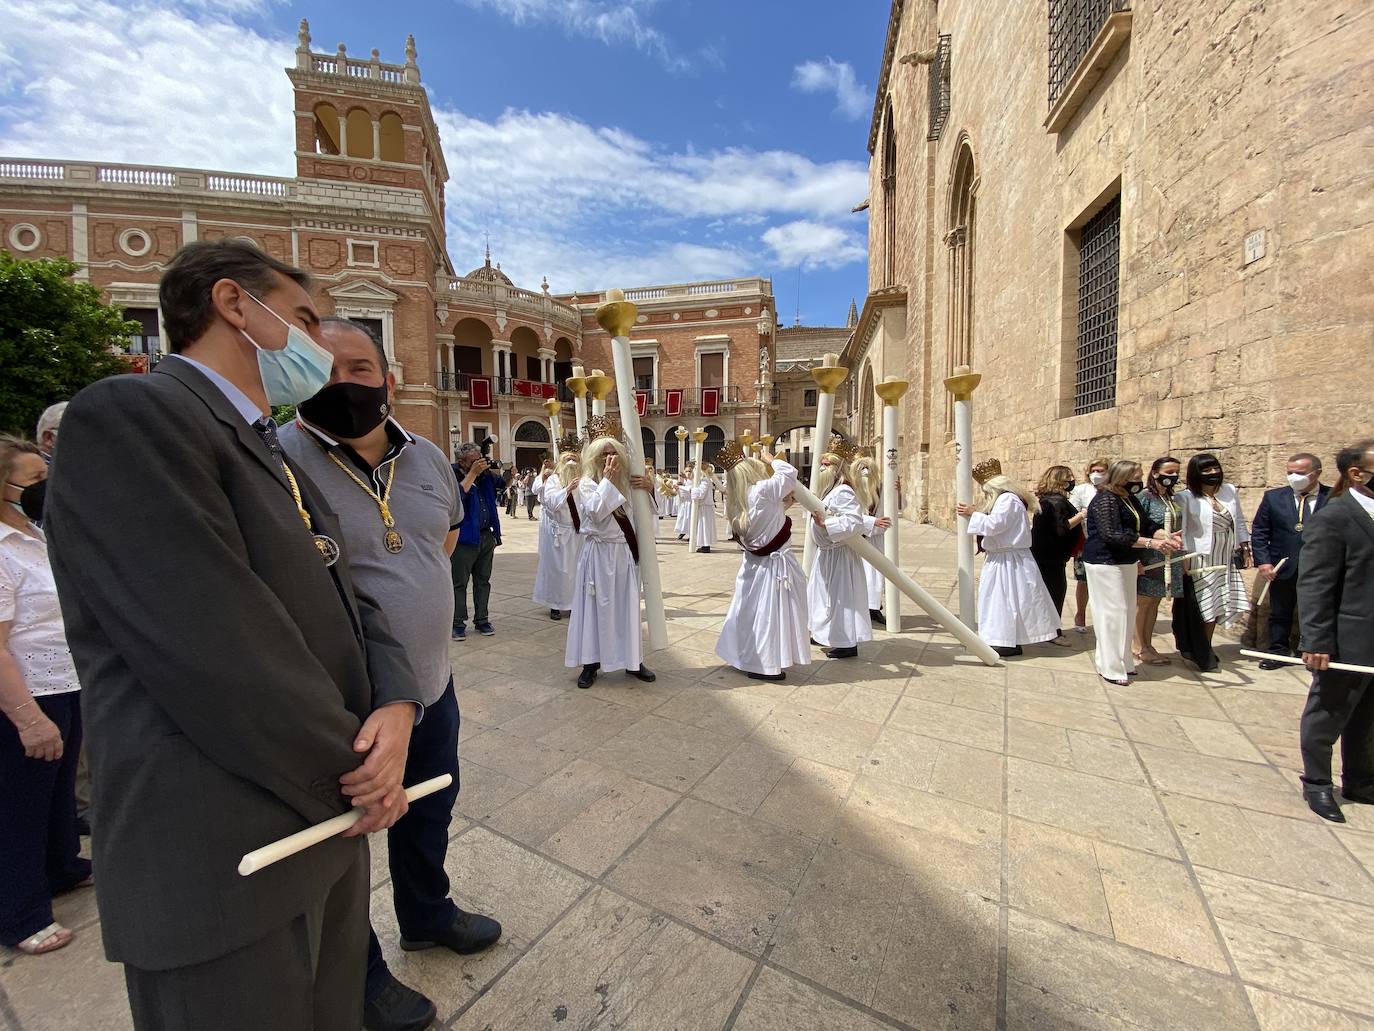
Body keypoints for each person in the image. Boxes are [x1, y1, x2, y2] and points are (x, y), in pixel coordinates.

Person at [43, 239, 422, 1031]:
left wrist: (396, 703)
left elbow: (347, 594)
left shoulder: (259, 440)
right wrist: (359, 775)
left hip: (318, 828)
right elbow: (212, 646)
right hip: (222, 845)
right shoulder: (133, 414)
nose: (319, 344)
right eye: (307, 317)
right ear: (234, 305)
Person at [280, 318, 501, 1031]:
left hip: (433, 685)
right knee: (339, 842)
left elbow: (439, 538)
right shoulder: (275, 459)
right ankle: (362, 977)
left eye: (359, 367)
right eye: (324, 369)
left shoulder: (430, 457)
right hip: (339, 702)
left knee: (430, 805)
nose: (343, 383)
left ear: (388, 379)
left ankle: (426, 912)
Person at [1, 437, 91, 957]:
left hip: (64, 679)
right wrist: (27, 718)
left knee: (56, 792)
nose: (45, 488)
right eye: (33, 482)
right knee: (21, 805)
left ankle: (62, 865)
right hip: (26, 691)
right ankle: (20, 911)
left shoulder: (34, 535)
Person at [1295, 439, 1374, 823]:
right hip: (1347, 638)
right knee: (1328, 712)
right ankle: (1317, 783)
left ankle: (1360, 779)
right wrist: (1316, 639)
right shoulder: (1334, 517)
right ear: (1356, 474)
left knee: (1369, 716)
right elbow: (1315, 583)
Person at [565, 417, 657, 689]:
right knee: (595, 609)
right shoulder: (587, 483)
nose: (609, 458)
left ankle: (632, 660)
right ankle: (591, 663)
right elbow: (594, 512)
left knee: (626, 607)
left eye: (613, 452)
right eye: (603, 454)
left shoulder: (630, 482)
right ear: (593, 458)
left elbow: (648, 515)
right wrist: (607, 480)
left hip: (623, 554)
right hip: (598, 555)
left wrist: (650, 491)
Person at [715, 441, 810, 681]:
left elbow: (767, 520)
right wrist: (771, 458)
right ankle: (764, 664)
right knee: (769, 614)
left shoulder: (737, 500)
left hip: (753, 565)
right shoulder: (762, 491)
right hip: (773, 567)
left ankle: (742, 654)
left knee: (748, 612)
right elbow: (789, 472)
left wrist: (785, 506)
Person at [1082, 459, 1179, 685]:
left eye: (1139, 476)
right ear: (1121, 478)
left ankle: (1123, 661)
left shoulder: (1129, 499)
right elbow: (1111, 534)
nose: (1138, 481)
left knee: (1125, 612)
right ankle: (1110, 666)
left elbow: (1145, 525)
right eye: (1134, 478)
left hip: (1126, 561)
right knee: (1111, 614)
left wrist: (1163, 535)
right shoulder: (1105, 499)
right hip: (1105, 562)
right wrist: (1149, 544)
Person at [956, 459, 1061, 658]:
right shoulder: (1008, 499)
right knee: (1002, 600)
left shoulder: (1007, 500)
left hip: (1009, 560)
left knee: (1004, 600)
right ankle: (1004, 639)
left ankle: (1005, 641)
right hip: (1004, 558)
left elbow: (995, 525)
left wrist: (973, 513)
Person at [1174, 453, 1251, 671]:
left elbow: (1240, 521)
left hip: (1225, 555)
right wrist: (1183, 561)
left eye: (1214, 468)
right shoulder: (1186, 497)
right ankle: (1201, 648)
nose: (1212, 474)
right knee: (1205, 603)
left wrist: (1245, 547)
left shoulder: (1229, 491)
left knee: (1220, 603)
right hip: (1201, 557)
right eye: (1206, 470)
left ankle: (1205, 645)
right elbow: (1184, 531)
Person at [1252, 452, 1330, 669]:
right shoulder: (1274, 497)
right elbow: (1260, 530)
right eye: (1290, 473)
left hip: (1319, 568)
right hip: (1282, 566)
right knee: (1279, 612)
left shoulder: (1333, 497)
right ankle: (1277, 651)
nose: (1294, 477)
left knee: (1318, 612)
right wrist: (1264, 562)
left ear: (1317, 473)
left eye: (1301, 473)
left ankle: (1314, 652)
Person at [807, 433, 872, 659]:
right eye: (822, 464)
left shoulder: (843, 490)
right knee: (823, 597)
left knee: (840, 599)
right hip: (826, 554)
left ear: (837, 468)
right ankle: (824, 634)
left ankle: (846, 642)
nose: (823, 468)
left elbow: (854, 522)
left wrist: (828, 524)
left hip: (839, 555)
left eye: (827, 465)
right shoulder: (830, 490)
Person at [1134, 457, 1185, 665]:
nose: (1172, 477)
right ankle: (1138, 646)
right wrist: (1136, 559)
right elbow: (1138, 527)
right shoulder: (1144, 497)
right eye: (1169, 472)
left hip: (1169, 556)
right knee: (1143, 602)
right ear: (1155, 473)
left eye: (1176, 472)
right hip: (1149, 556)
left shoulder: (1172, 499)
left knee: (1154, 602)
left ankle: (1148, 644)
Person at [450, 443, 501, 642]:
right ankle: (458, 623)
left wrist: (498, 468)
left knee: (483, 580)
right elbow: (457, 497)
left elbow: (504, 483)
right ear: (461, 462)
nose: (478, 464)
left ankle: (482, 619)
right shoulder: (452, 474)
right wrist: (472, 474)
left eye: (480, 459)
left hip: (486, 536)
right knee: (459, 583)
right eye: (473, 461)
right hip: (463, 537)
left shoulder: (485, 476)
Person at [531, 437, 583, 621]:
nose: (571, 463)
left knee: (575, 570)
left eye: (574, 460)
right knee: (558, 570)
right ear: (561, 463)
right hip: (559, 534)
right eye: (567, 459)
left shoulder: (583, 480)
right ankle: (554, 604)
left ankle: (572, 603)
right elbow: (551, 502)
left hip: (577, 533)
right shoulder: (554, 480)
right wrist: (567, 489)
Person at [1030, 465, 1083, 637]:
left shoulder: (1046, 500)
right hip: (1051, 557)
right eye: (1068, 478)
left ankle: (1047, 630)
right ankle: (1053, 632)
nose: (1071, 481)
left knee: (1047, 593)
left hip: (1045, 554)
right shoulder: (1056, 502)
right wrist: (1082, 515)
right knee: (1055, 593)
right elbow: (1062, 528)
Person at [1069, 456, 1110, 632]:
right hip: (1086, 541)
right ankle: (1080, 614)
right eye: (1094, 471)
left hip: (1108, 542)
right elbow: (1072, 511)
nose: (1097, 474)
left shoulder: (1113, 490)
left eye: (1101, 471)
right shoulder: (1081, 491)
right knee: (1083, 580)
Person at [853, 455, 888, 626]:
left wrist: (897, 492)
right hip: (857, 539)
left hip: (877, 539)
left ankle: (874, 607)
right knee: (860, 575)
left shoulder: (882, 489)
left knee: (876, 575)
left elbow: (896, 508)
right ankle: (861, 607)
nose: (865, 473)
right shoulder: (851, 489)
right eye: (861, 469)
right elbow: (849, 514)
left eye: (868, 469)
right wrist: (870, 522)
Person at [691, 463, 719, 553]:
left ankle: (706, 545)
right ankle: (704, 544)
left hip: (705, 506)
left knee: (704, 525)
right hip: (703, 506)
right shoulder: (702, 480)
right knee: (702, 525)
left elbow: (700, 494)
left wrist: (692, 490)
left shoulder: (704, 480)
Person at [675, 465, 694, 540]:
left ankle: (691, 534)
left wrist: (681, 487)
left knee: (689, 518)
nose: (688, 473)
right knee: (683, 517)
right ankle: (683, 531)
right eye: (686, 471)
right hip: (685, 502)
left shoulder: (694, 480)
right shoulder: (686, 480)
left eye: (690, 471)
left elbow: (690, 489)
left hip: (691, 502)